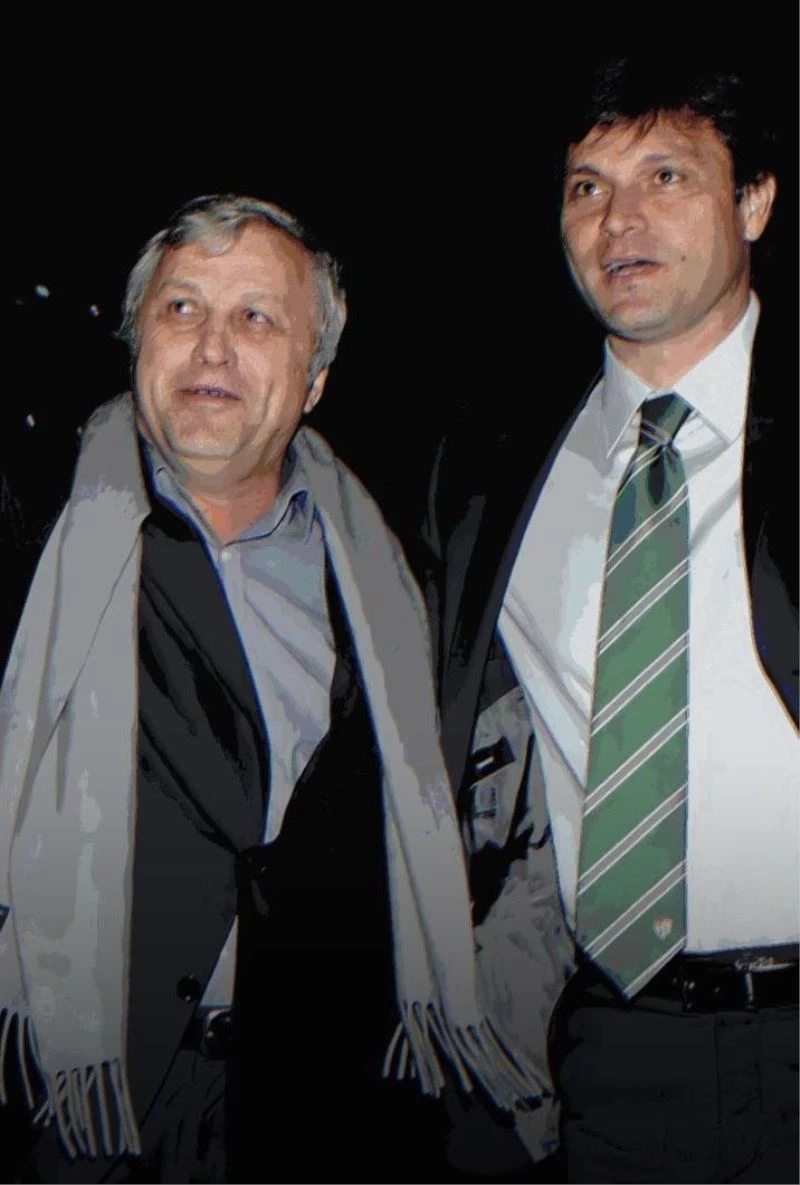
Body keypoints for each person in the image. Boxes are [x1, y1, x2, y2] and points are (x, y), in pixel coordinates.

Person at [0, 194, 546, 1184]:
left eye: (256, 317)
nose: (211, 346)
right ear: (136, 342)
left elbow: (508, 815)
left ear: (315, 378)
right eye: (181, 309)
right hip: (82, 1110)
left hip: (325, 1108)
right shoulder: (34, 539)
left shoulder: (398, 581)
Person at [424, 56, 798, 1183]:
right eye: (586, 187)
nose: (617, 219)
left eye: (665, 176)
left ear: (754, 202)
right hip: (609, 1048)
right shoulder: (490, 474)